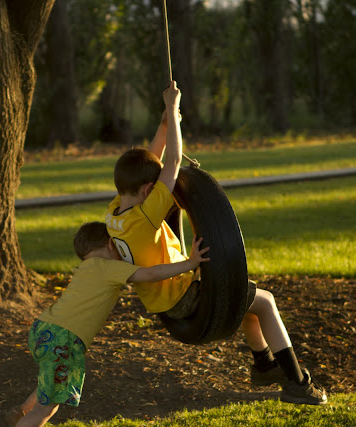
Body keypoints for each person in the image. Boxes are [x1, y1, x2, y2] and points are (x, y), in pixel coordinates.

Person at [105, 80, 327, 405]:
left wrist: (166, 123)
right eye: (154, 189)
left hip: (162, 300)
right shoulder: (146, 215)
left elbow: (152, 160)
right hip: (183, 299)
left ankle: (264, 365)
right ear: (147, 191)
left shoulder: (115, 211)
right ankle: (298, 384)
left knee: (247, 300)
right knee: (266, 302)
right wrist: (171, 107)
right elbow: (173, 162)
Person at [6, 221, 210, 426]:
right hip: (63, 339)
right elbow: (150, 274)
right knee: (47, 408)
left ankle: (21, 412)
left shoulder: (84, 268)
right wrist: (190, 263)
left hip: (42, 329)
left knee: (53, 377)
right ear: (111, 244)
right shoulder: (109, 267)